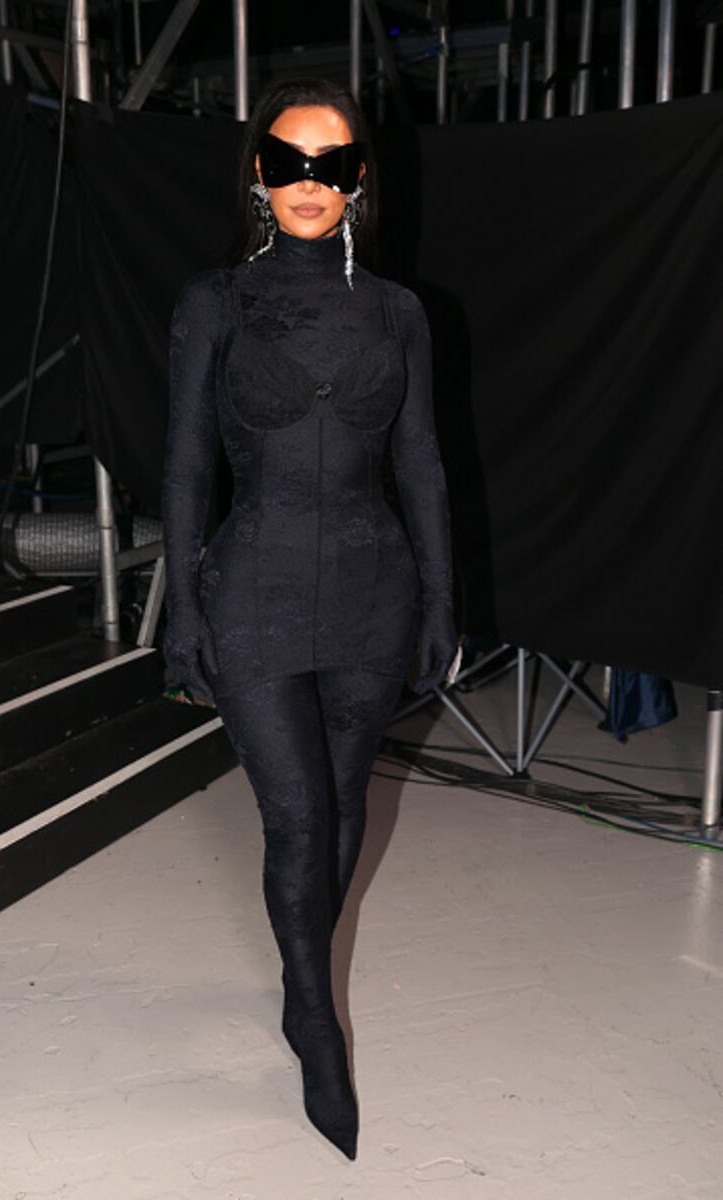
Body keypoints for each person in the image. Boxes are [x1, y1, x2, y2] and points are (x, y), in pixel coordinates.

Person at [161, 76, 459, 1161]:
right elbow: (187, 466)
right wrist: (178, 605)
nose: (307, 183)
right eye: (288, 162)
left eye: (329, 166)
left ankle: (299, 988)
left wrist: (441, 598)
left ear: (357, 180)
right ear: (257, 172)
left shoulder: (398, 312)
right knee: (296, 818)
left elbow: (421, 466)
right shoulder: (214, 302)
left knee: (340, 811)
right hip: (252, 588)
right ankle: (319, 1032)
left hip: (374, 592)